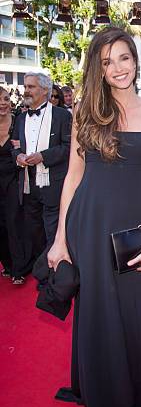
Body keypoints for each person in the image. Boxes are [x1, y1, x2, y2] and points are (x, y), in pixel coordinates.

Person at [47, 27, 141, 407]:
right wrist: (59, 239)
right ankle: (106, 398)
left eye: (124, 57)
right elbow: (72, 177)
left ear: (135, 59)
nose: (118, 68)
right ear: (98, 69)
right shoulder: (87, 109)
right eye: (107, 62)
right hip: (88, 222)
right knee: (100, 311)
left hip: (136, 226)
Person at [11, 73, 72, 270]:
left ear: (45, 90)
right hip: (28, 185)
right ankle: (41, 269)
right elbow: (15, 146)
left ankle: (54, 273)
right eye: (25, 86)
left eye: (31, 87)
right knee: (34, 230)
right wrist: (18, 156)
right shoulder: (20, 118)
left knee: (52, 230)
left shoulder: (62, 116)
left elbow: (68, 147)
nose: (26, 90)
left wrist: (43, 156)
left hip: (53, 184)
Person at [0, 87, 30, 284]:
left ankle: (19, 268)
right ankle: (8, 265)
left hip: (14, 178)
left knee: (13, 221)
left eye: (5, 98)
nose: (2, 103)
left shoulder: (19, 121)